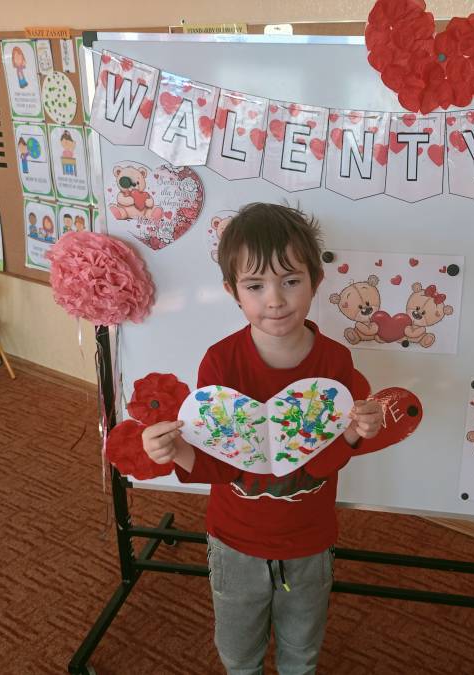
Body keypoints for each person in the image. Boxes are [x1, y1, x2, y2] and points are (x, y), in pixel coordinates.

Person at [141, 202, 383, 674]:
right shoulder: (220, 363)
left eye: (291, 281)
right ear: (232, 291)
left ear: (316, 280)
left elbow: (320, 462)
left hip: (309, 537)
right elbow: (219, 463)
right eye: (255, 286)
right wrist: (175, 449)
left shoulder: (335, 362)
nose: (275, 300)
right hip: (235, 539)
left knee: (302, 650)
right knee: (238, 653)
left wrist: (355, 434)